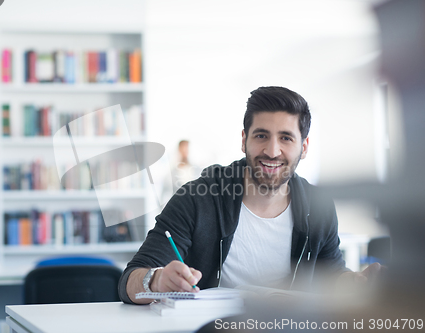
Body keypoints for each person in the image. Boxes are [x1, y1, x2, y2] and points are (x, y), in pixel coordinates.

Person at [118, 86, 381, 305]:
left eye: (286, 138)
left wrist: (355, 283)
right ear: (244, 140)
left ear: (304, 147)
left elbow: (332, 276)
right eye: (261, 135)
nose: (272, 150)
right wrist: (155, 280)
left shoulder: (319, 206)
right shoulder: (196, 198)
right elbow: (129, 281)